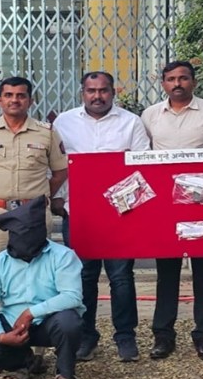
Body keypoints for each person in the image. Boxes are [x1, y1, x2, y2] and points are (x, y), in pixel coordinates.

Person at [0, 76, 68, 374]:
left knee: (39, 280)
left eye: (21, 95)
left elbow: (59, 172)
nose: (14, 100)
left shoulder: (47, 133)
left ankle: (36, 347)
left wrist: (35, 201)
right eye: (8, 95)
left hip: (32, 217)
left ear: (30, 100)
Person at [53, 71, 150, 363]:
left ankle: (125, 337)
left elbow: (143, 166)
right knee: (83, 276)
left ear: (113, 92)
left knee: (121, 277)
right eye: (91, 90)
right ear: (82, 92)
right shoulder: (63, 123)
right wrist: (58, 197)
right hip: (79, 213)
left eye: (103, 90)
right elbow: (54, 164)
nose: (97, 96)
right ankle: (85, 337)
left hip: (121, 215)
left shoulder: (131, 122)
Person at [139, 61, 203, 361]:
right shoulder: (150, 115)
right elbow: (144, 156)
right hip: (165, 207)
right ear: (163, 83)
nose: (177, 84)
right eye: (171, 79)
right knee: (166, 273)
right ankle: (163, 335)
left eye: (183, 78)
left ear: (194, 81)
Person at [0, 196, 85, 379]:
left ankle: (65, 372)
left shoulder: (63, 256)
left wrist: (31, 312)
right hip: (13, 323)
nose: (24, 243)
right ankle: (23, 363)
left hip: (50, 321)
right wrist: (0, 335)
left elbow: (72, 296)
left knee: (69, 322)